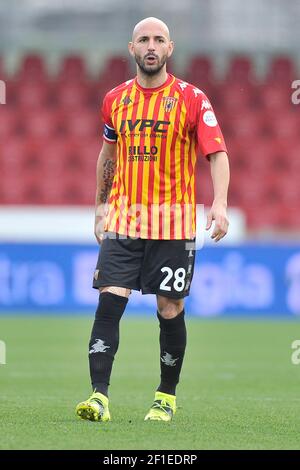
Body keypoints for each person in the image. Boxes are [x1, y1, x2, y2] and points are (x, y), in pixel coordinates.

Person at [76, 17, 229, 422]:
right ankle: (99, 397)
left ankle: (165, 397)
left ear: (169, 49)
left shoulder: (192, 99)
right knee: (109, 301)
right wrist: (100, 206)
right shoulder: (115, 99)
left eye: (158, 40)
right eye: (143, 39)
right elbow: (107, 157)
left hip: (174, 224)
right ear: (132, 48)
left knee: (169, 309)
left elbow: (217, 154)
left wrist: (220, 203)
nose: (150, 45)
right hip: (125, 220)